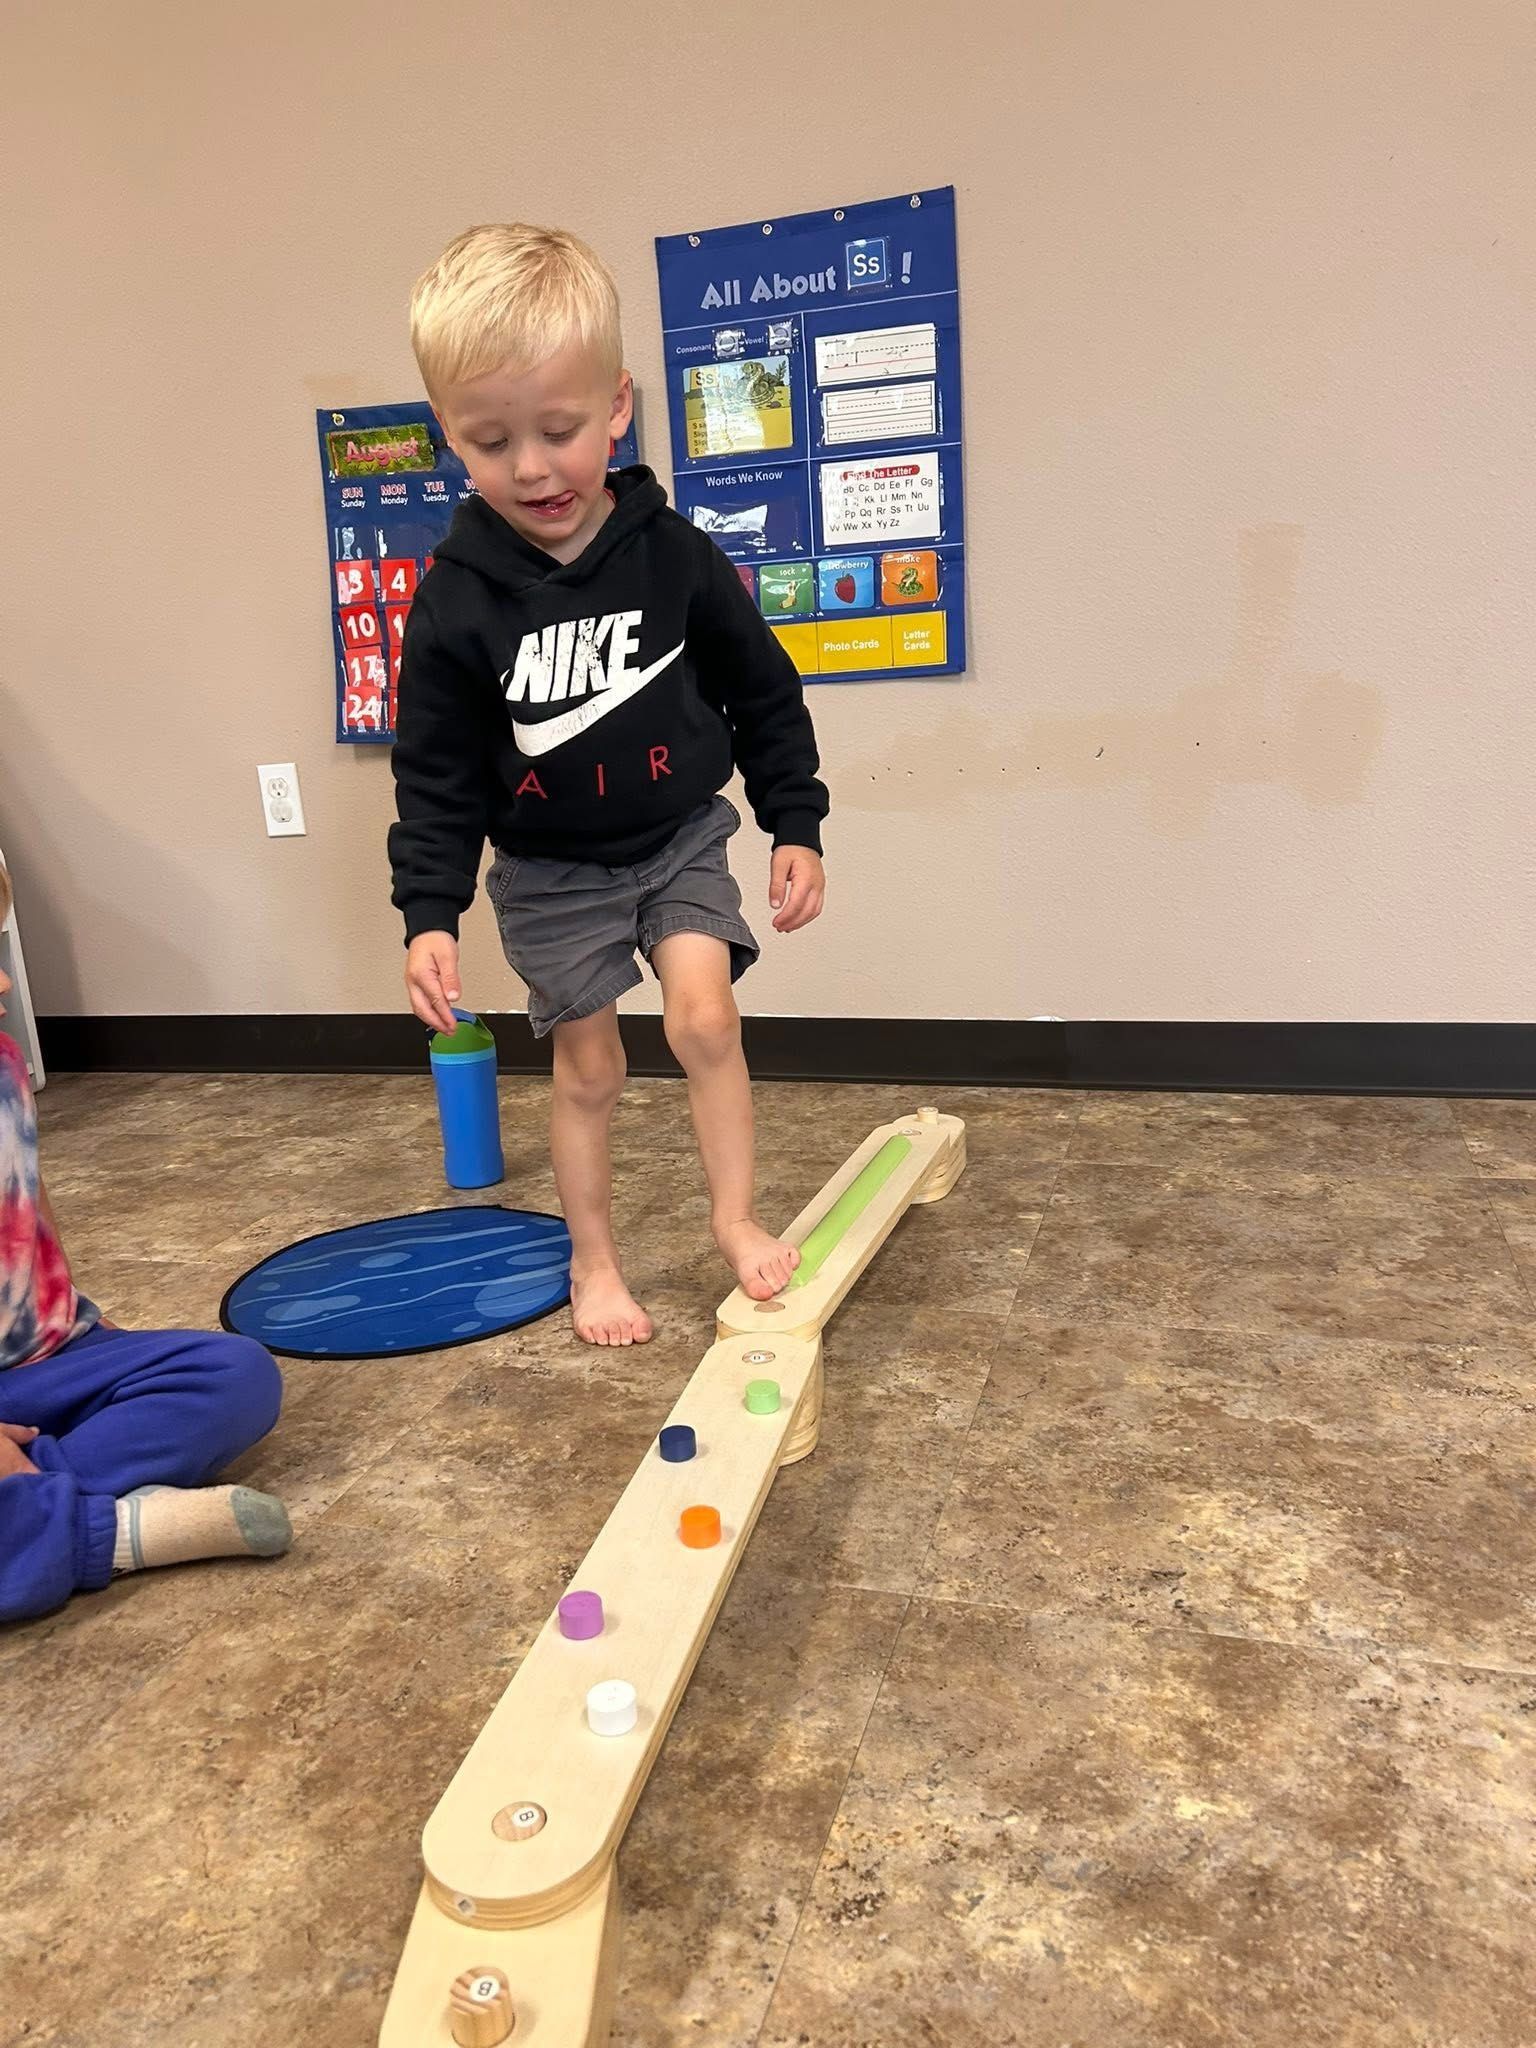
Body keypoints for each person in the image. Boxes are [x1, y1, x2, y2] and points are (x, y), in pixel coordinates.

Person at [390, 224, 830, 1348]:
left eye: (560, 429)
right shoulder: (454, 601)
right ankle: (595, 1262)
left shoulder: (674, 554)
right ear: (451, 435)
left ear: (618, 405)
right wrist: (429, 914)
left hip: (678, 834)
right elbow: (435, 774)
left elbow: (764, 691)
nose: (531, 467)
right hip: (547, 871)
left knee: (705, 1016)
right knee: (591, 1066)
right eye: (491, 442)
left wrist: (796, 819)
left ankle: (735, 1217)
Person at [0, 861, 290, 1625]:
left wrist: (81, 1326)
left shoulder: (4, 1064)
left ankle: (35, 1489)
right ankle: (105, 1532)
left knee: (236, 1373)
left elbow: (28, 1202)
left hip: (48, 1361)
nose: (3, 987)